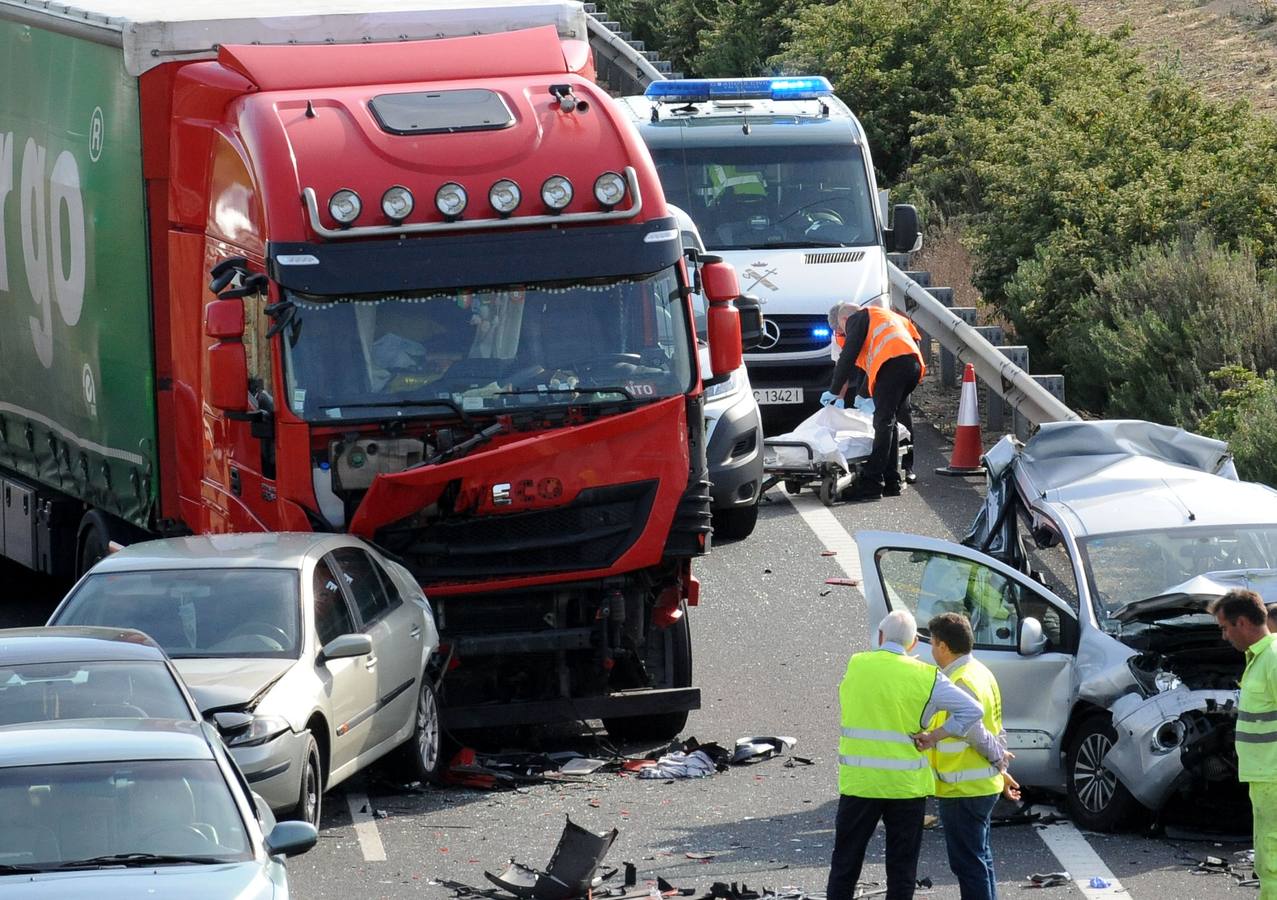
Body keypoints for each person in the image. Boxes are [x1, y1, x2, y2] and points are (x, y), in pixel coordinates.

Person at [827, 610, 1009, 900]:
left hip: (860, 783)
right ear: (913, 645)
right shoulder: (927, 676)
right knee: (902, 869)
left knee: (845, 863)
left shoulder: (858, 664)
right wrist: (934, 735)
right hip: (906, 787)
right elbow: (972, 711)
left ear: (881, 637)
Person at [918, 613, 1021, 900]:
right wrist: (1000, 769)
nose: (931, 648)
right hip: (979, 784)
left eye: (933, 642)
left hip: (963, 787)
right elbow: (996, 726)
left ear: (943, 646)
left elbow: (975, 732)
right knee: (980, 859)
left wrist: (1000, 761)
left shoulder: (960, 681)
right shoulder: (981, 672)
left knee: (968, 864)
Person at [1211, 589, 1276, 900]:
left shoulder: (1273, 658)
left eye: (1224, 627)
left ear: (1241, 623)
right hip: (1264, 776)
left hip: (1274, 778)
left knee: (1273, 860)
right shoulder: (1262, 658)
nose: (1224, 637)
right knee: (1268, 859)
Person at [823, 305, 924, 498]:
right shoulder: (884, 316)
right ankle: (892, 481)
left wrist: (834, 391)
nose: (844, 334)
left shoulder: (857, 319)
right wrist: (864, 393)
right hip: (912, 366)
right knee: (890, 421)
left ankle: (872, 482)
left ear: (844, 320)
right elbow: (880, 358)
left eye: (841, 331)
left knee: (883, 422)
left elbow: (847, 356)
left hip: (893, 366)